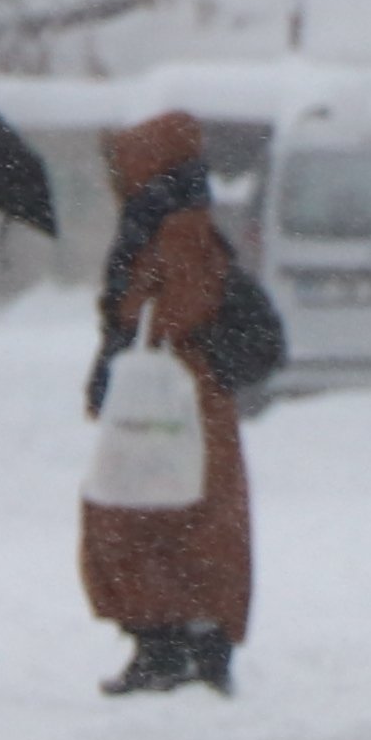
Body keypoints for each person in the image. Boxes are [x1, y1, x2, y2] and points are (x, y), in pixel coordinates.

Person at [80, 108, 275, 695]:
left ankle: (169, 648)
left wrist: (132, 329)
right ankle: (190, 646)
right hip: (191, 399)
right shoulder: (185, 223)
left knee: (146, 519)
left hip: (172, 399)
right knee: (188, 521)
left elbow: (174, 305)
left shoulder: (166, 230)